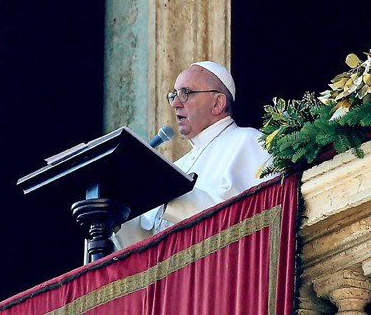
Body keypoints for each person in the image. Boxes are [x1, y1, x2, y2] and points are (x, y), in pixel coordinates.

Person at [115, 60, 274, 248]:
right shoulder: (178, 166)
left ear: (217, 103)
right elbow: (148, 240)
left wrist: (167, 189)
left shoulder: (249, 141)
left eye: (185, 93)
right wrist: (117, 215)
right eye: (173, 95)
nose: (175, 103)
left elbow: (246, 216)